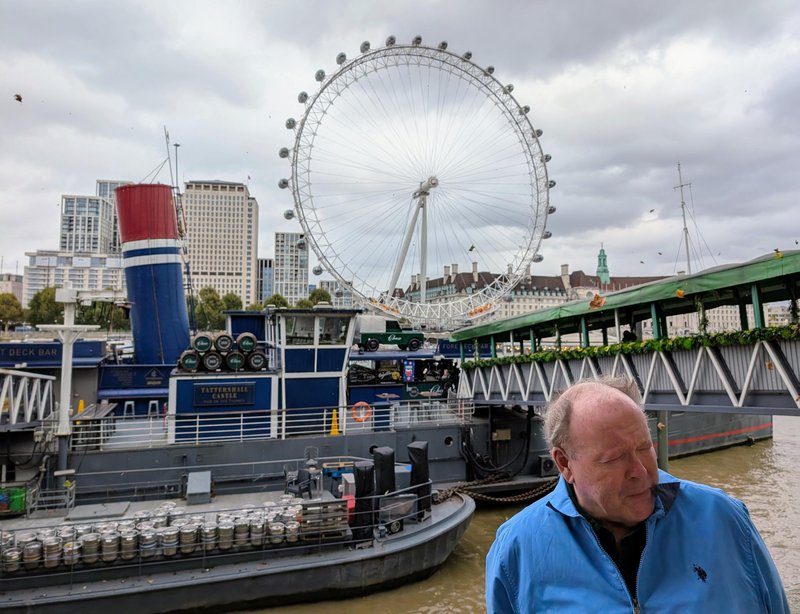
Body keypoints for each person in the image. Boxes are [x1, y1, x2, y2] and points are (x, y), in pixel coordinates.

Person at [485, 376, 789, 613]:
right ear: (565, 464)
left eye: (645, 448)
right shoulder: (517, 549)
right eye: (614, 458)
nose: (641, 472)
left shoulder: (724, 518)